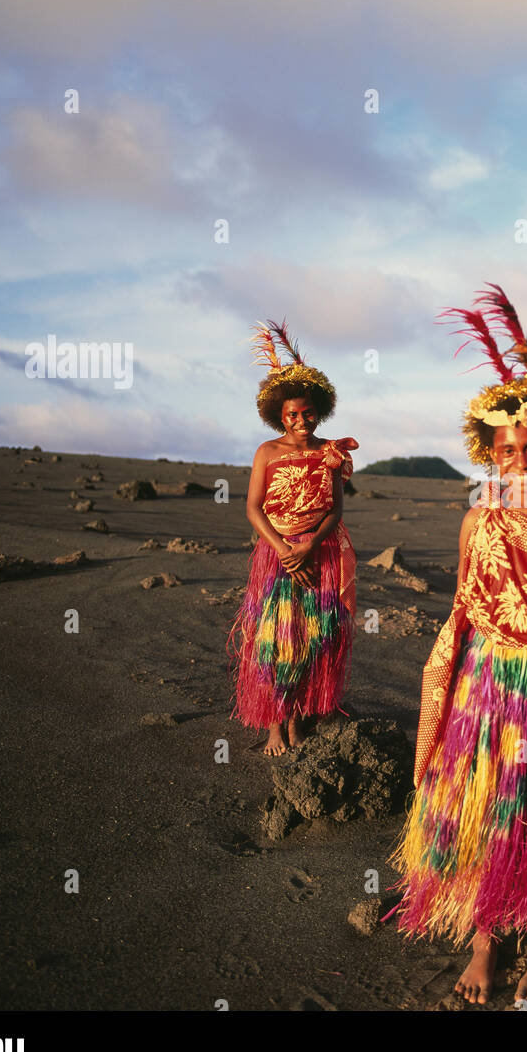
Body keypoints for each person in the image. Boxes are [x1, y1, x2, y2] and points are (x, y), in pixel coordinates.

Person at [389, 283, 527, 1007]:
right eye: (506, 448)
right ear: (489, 449)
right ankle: (485, 934)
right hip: (484, 678)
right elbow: (463, 605)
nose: (519, 457)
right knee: (482, 798)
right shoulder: (476, 513)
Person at [227, 320, 358, 757]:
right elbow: (253, 507)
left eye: (307, 413)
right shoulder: (267, 452)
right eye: (292, 416)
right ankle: (273, 729)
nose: (301, 421)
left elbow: (336, 510)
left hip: (319, 554)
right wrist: (285, 549)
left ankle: (300, 721)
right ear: (279, 418)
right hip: (278, 556)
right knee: (276, 639)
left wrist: (310, 546)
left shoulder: (330, 454)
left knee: (315, 638)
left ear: (318, 411)